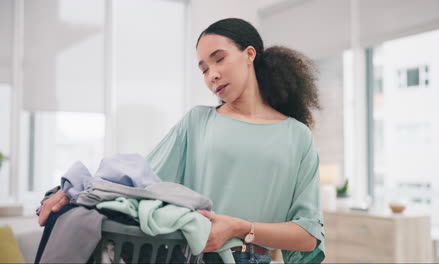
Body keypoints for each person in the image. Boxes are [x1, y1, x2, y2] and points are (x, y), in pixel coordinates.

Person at [38, 18, 325, 263]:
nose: (212, 75)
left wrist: (239, 227)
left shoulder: (297, 136)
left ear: (250, 54)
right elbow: (138, 180)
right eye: (203, 69)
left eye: (219, 58)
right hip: (192, 255)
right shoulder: (198, 121)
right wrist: (72, 192)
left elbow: (308, 236)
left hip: (251, 257)